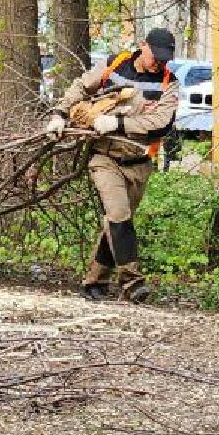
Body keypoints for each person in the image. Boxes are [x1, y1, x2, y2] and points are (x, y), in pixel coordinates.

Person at [42, 27, 180, 303]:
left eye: (165, 57)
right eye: (156, 55)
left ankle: (95, 281)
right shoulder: (115, 64)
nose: (159, 62)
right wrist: (59, 114)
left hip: (139, 162)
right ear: (143, 46)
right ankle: (133, 283)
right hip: (105, 157)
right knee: (118, 215)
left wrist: (118, 123)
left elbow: (159, 123)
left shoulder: (169, 83)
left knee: (119, 222)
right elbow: (81, 85)